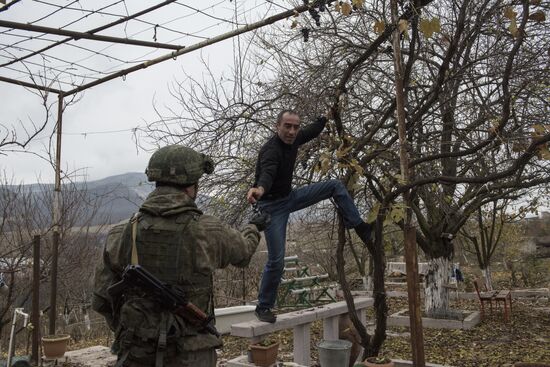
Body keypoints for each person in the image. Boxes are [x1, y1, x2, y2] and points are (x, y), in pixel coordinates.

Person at [93, 145, 268, 367]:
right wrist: (253, 227)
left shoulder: (123, 232)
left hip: (137, 353)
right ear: (192, 186)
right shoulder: (206, 230)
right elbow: (243, 254)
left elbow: (101, 299)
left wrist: (136, 329)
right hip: (192, 354)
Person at [247, 109, 373, 323]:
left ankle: (359, 226)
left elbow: (312, 131)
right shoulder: (271, 151)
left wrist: (326, 117)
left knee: (334, 185)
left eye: (295, 127)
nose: (292, 131)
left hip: (290, 198)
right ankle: (264, 307)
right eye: (287, 126)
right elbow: (267, 174)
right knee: (276, 260)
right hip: (272, 207)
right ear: (277, 126)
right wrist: (259, 189)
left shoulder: (294, 139)